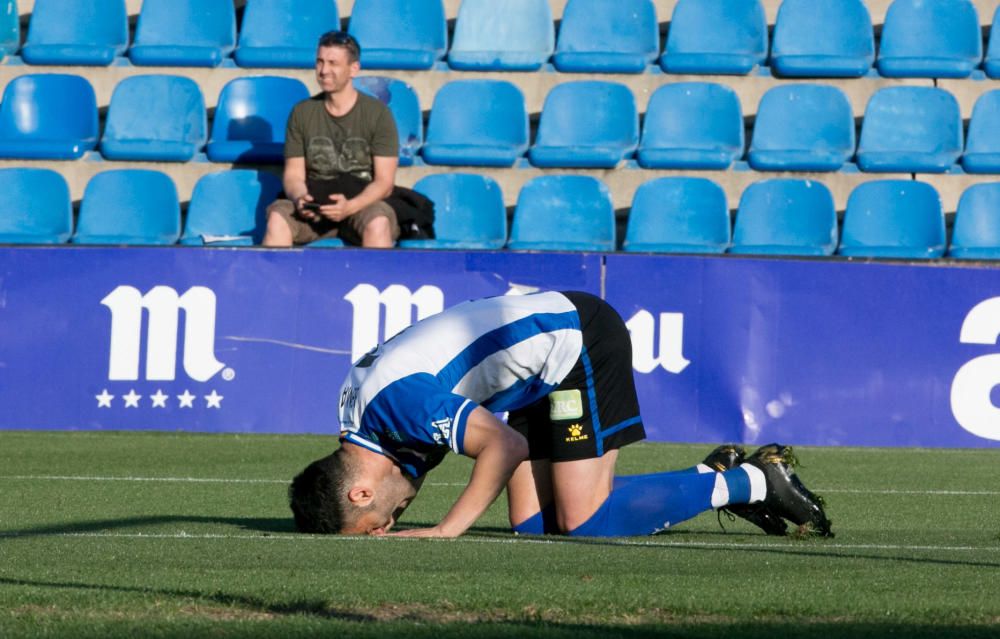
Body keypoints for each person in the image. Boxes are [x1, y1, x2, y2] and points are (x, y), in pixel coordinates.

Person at [289, 290, 834, 539]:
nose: (388, 525)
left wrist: (446, 529)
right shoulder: (361, 419)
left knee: (583, 520)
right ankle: (706, 477)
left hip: (575, 346)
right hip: (528, 383)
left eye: (375, 524)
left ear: (361, 493)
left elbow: (503, 447)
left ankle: (751, 481)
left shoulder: (395, 407)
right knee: (532, 526)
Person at [263, 31, 400, 248]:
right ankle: (275, 282)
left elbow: (384, 183)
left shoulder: (378, 114)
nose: (324, 70)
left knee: (378, 223)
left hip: (362, 202)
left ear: (353, 68)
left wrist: (351, 207)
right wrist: (300, 199)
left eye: (333, 63)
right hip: (316, 203)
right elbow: (293, 174)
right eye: (320, 62)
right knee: (278, 218)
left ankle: (374, 281)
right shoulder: (302, 112)